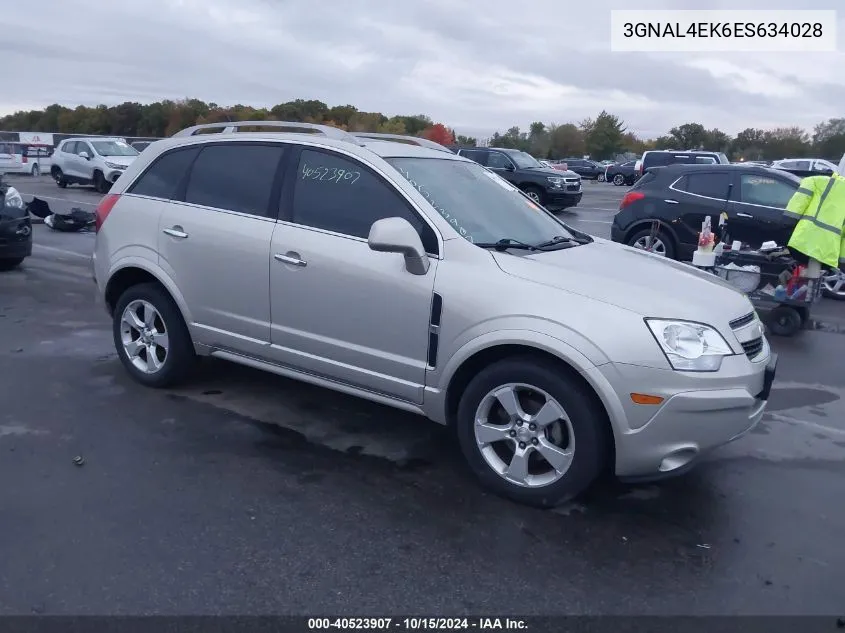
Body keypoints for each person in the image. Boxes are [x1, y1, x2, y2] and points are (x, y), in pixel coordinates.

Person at [784, 171, 845, 272]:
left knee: (807, 276)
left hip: (805, 238)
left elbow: (798, 202)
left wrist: (789, 219)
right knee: (814, 279)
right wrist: (843, 261)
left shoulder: (815, 181)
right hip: (830, 247)